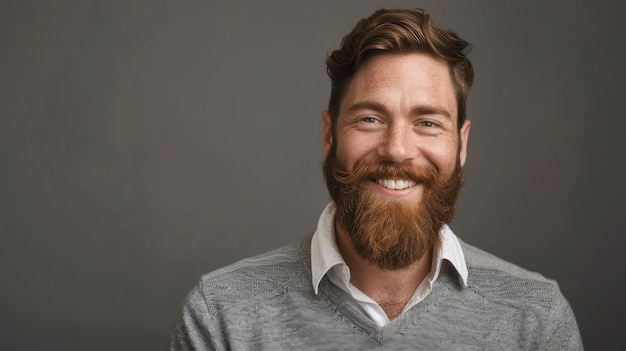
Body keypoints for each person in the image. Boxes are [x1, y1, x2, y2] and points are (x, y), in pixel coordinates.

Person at [169, 8, 583, 350]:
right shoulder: (222, 316)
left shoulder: (535, 319)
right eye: (370, 118)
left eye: (426, 122)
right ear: (330, 134)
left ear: (461, 143)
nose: (397, 149)